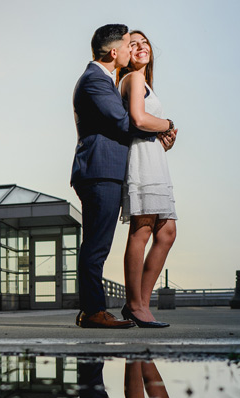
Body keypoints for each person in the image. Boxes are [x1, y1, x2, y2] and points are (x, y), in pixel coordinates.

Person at [70, 25, 175, 329]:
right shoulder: (94, 81)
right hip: (99, 171)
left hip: (107, 171)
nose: (133, 50)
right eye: (129, 45)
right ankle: (92, 311)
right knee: (96, 245)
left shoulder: (103, 80)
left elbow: (131, 124)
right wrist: (166, 124)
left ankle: (98, 309)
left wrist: (159, 134)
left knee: (97, 243)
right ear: (115, 52)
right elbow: (126, 123)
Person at [117, 31, 178, 328]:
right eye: (133, 44)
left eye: (145, 43)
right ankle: (135, 304)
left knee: (166, 233)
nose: (141, 47)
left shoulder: (145, 82)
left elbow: (144, 125)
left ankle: (140, 302)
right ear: (125, 53)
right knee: (142, 231)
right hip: (142, 161)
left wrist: (165, 138)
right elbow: (139, 120)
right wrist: (169, 124)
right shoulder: (134, 78)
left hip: (154, 158)